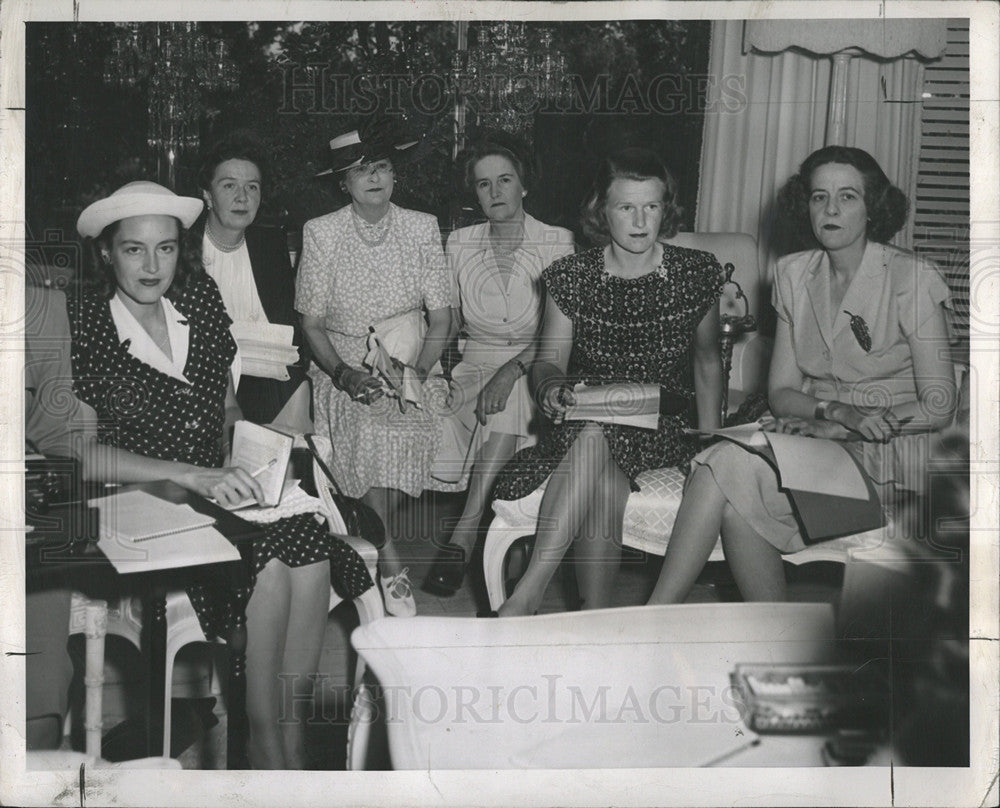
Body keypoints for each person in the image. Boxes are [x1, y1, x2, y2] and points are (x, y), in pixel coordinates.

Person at [68, 181, 373, 769]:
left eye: (166, 248)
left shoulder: (199, 300)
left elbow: (226, 403)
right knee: (267, 565)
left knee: (308, 547)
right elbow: (83, 452)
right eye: (134, 249)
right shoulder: (86, 322)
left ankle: (282, 740)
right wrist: (194, 475)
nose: (152, 265)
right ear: (107, 252)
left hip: (218, 484)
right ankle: (266, 748)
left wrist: (243, 451)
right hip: (144, 496)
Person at [647, 145, 957, 605]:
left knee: (727, 471)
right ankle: (772, 636)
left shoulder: (912, 279)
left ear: (873, 207)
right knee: (733, 496)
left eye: (847, 197)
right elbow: (781, 392)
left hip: (895, 459)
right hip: (822, 444)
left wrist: (844, 422)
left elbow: (940, 404)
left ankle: (656, 615)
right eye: (818, 197)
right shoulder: (792, 274)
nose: (830, 209)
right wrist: (831, 411)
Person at [491, 147, 723, 617]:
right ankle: (586, 616)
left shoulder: (696, 273)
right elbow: (548, 362)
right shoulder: (573, 277)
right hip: (583, 414)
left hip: (661, 423)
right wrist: (550, 387)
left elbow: (706, 363)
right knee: (598, 453)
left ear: (666, 209)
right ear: (603, 211)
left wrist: (713, 439)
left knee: (597, 447)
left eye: (652, 206)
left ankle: (533, 594)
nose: (640, 220)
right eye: (625, 207)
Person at [295, 118, 453, 618]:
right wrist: (345, 374)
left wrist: (420, 372)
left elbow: (444, 317)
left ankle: (367, 542)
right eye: (360, 171)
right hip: (343, 368)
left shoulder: (422, 227)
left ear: (394, 174)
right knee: (368, 425)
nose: (374, 178)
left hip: (412, 362)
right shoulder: (321, 233)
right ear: (342, 182)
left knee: (399, 427)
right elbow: (312, 325)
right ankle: (389, 561)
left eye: (381, 166)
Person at [423, 135, 574, 596]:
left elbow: (561, 330)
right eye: (484, 184)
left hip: (539, 362)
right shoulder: (460, 243)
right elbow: (445, 323)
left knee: (507, 400)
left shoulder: (557, 241)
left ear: (523, 186)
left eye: (505, 180)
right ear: (475, 192)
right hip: (473, 365)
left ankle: (465, 534)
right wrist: (419, 373)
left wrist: (512, 370)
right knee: (450, 404)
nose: (495, 192)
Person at [192, 132, 308, 425]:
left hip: (268, 382)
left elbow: (289, 328)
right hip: (198, 386)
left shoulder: (270, 245)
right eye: (229, 185)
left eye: (252, 187)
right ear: (207, 194)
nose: (242, 197)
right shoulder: (182, 248)